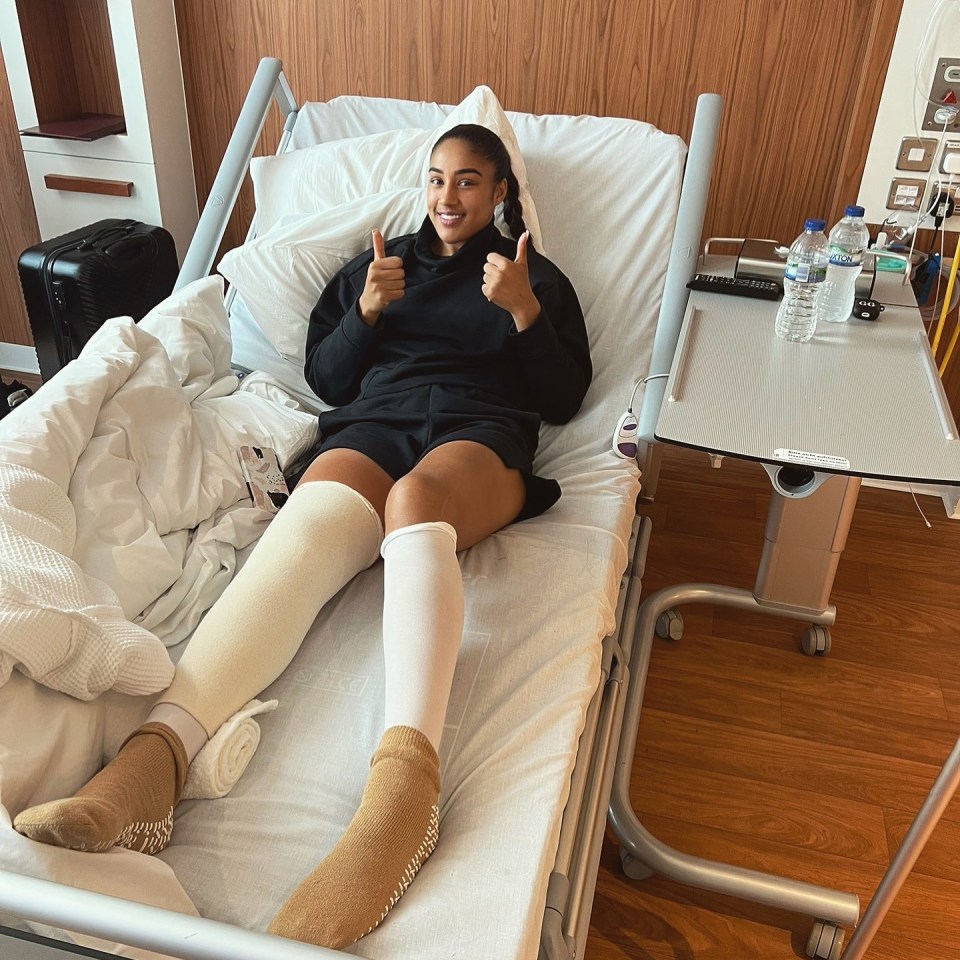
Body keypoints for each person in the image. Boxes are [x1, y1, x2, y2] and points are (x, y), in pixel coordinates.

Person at [13, 123, 591, 949]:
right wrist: (365, 310)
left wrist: (527, 314)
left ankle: (402, 796)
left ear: (500, 193)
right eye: (435, 180)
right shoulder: (378, 266)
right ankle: (156, 759)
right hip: (376, 419)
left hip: (480, 429)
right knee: (314, 517)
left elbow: (565, 398)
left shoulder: (534, 278)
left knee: (416, 508)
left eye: (468, 182)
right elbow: (326, 376)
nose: (447, 198)